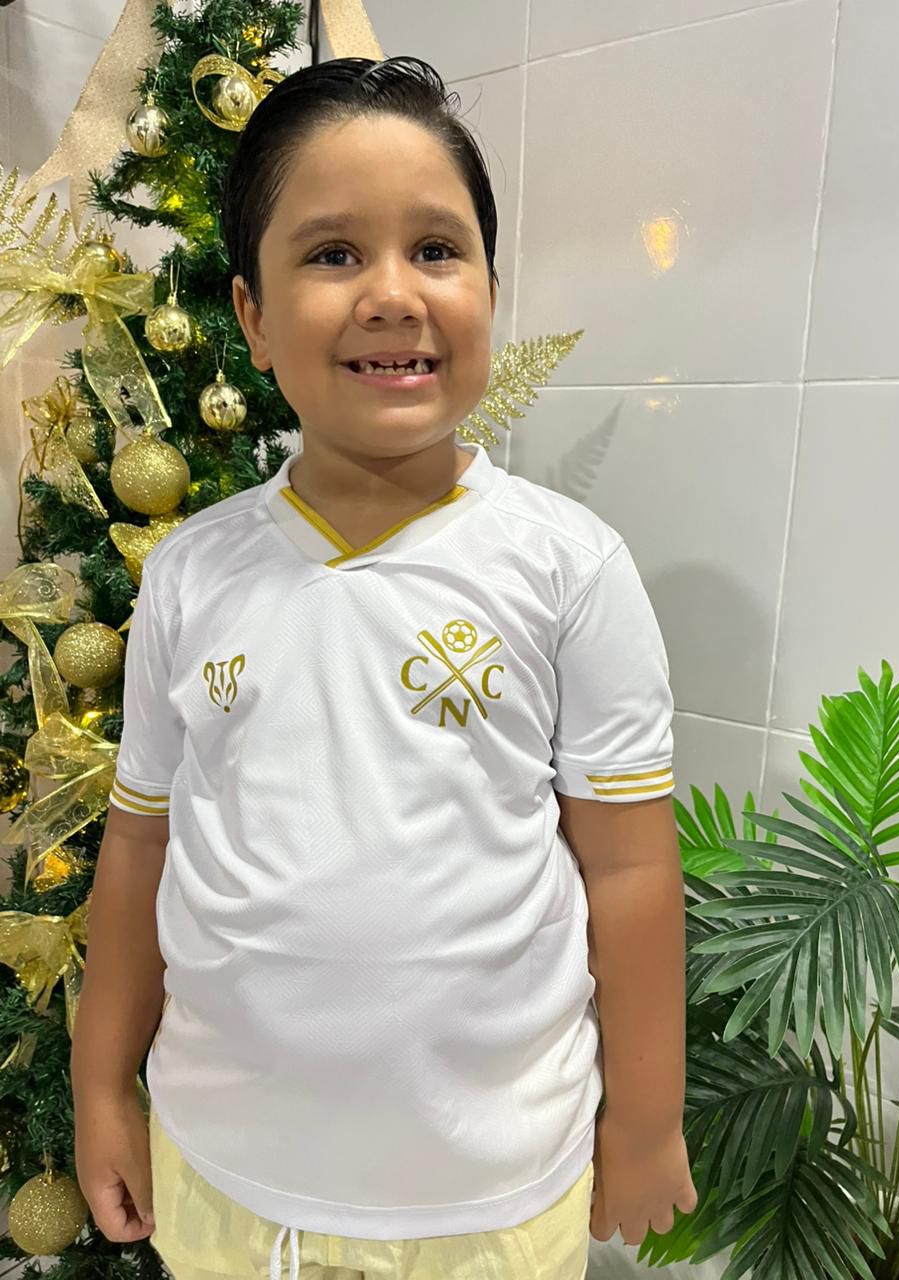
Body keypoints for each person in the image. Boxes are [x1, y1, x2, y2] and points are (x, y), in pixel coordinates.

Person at [71, 55, 696, 1280]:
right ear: (252, 315)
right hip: (226, 1183)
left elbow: (629, 869)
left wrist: (646, 1116)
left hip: (490, 1203)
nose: (393, 295)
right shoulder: (190, 574)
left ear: (491, 290)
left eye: (437, 249)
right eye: (333, 253)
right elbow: (141, 846)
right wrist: (101, 1085)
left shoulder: (568, 566)